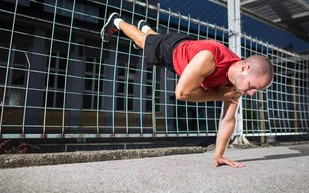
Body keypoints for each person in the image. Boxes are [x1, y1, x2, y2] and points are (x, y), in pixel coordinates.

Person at [101, 12, 274, 168]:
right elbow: (181, 93)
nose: (250, 93)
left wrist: (219, 155)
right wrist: (218, 95)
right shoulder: (210, 58)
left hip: (186, 51)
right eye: (252, 87)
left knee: (153, 42)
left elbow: (228, 120)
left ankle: (146, 29)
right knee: (141, 41)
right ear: (245, 69)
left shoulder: (236, 82)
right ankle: (117, 21)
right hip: (173, 50)